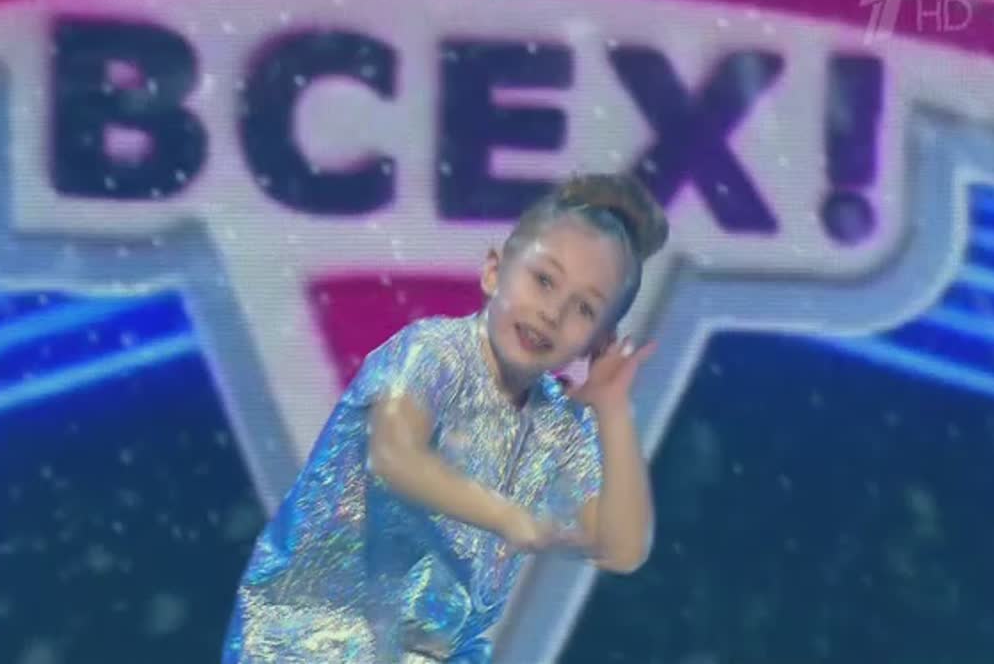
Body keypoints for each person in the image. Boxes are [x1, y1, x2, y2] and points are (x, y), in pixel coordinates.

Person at [222, 172, 670, 663]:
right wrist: (504, 515)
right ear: (494, 272)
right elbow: (394, 456)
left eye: (583, 309)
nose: (552, 313)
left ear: (599, 341)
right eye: (543, 281)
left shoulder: (558, 426)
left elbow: (621, 548)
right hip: (308, 640)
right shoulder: (433, 353)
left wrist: (613, 409)